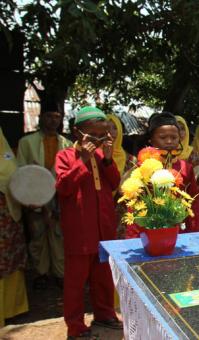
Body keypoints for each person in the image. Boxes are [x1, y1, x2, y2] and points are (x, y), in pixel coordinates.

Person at [55, 107, 123, 339]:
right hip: (79, 229)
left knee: (102, 275)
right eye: (93, 135)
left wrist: (108, 159)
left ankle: (104, 314)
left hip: (104, 226)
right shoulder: (65, 156)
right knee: (75, 281)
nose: (99, 140)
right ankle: (75, 326)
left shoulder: (102, 156)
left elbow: (115, 184)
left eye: (103, 135)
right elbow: (64, 188)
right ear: (77, 133)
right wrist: (83, 158)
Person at [16, 109, 71, 289]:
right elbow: (20, 172)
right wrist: (25, 198)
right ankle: (41, 273)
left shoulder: (67, 144)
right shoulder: (26, 142)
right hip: (34, 195)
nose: (53, 120)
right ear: (41, 118)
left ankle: (60, 273)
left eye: (57, 117)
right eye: (49, 116)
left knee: (59, 235)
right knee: (37, 236)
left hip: (59, 195)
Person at [125, 112, 199, 237]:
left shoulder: (185, 167)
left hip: (178, 230)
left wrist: (194, 233)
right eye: (163, 137)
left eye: (174, 137)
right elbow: (134, 204)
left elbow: (194, 201)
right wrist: (133, 237)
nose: (169, 141)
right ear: (151, 139)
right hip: (146, 230)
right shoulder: (143, 167)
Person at [0, 127, 28, 327]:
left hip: (8, 219)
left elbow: (19, 181)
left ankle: (12, 308)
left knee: (10, 260)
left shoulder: (7, 155)